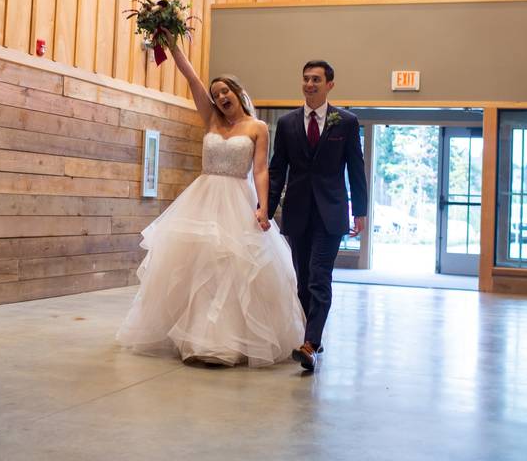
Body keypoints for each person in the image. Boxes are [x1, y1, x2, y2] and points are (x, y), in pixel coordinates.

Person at [116, 44, 304, 367]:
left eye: (225, 91)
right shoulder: (211, 120)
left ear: (238, 93)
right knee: (199, 266)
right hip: (203, 199)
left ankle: (228, 341)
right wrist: (172, 41)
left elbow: (260, 170)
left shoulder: (257, 128)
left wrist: (263, 207)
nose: (220, 97)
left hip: (237, 199)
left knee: (232, 268)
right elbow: (190, 77)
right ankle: (197, 338)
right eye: (216, 94)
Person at [268, 60, 368, 371]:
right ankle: (315, 337)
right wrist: (266, 211)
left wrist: (360, 212)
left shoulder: (346, 122)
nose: (310, 84)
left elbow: (355, 169)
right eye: (306, 79)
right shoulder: (287, 123)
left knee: (320, 277)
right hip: (298, 212)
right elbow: (276, 171)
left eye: (316, 79)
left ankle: (309, 344)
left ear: (329, 85)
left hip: (332, 212)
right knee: (303, 280)